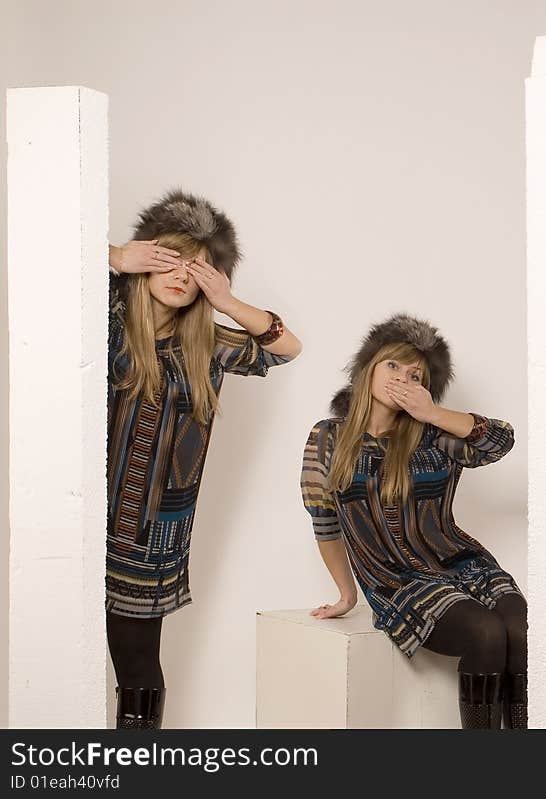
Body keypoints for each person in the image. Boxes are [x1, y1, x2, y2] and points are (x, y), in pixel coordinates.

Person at [106, 190, 302, 728]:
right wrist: (117, 257)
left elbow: (287, 349)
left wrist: (229, 302)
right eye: (169, 262)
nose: (180, 278)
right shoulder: (108, 318)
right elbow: (47, 252)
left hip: (153, 535)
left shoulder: (207, 344)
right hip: (83, 518)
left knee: (138, 666)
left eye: (196, 272)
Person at [301, 314, 527, 728]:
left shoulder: (433, 433)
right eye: (392, 366)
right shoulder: (327, 437)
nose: (402, 379)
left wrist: (434, 413)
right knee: (486, 633)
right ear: (367, 369)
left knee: (520, 627)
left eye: (415, 375)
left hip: (464, 564)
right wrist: (347, 594)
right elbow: (324, 519)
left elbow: (501, 441)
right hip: (398, 581)